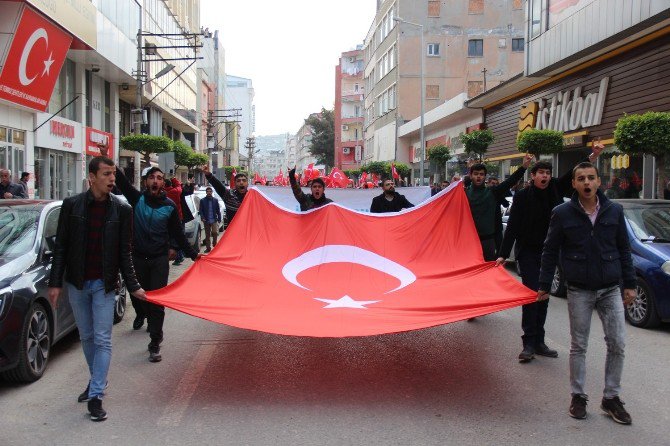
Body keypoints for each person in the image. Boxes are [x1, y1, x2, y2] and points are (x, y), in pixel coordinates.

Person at [47, 156, 146, 422]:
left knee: (102, 339)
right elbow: (61, 248)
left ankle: (96, 396)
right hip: (77, 284)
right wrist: (55, 283)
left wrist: (134, 285)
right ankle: (96, 381)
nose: (112, 179)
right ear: (91, 177)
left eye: (114, 174)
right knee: (87, 337)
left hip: (105, 286)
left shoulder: (122, 211)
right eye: (106, 174)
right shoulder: (71, 206)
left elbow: (125, 253)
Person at [537, 162, 636, 425]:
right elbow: (549, 251)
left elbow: (624, 249)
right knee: (579, 345)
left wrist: (630, 284)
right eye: (581, 178)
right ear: (574, 184)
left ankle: (611, 397)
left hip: (610, 289)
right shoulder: (562, 213)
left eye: (591, 178)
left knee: (617, 342)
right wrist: (544, 285)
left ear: (599, 182)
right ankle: (578, 396)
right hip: (579, 290)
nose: (587, 183)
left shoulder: (614, 210)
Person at [100, 144, 200, 362]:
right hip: (136, 258)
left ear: (163, 183)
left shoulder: (170, 207)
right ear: (146, 182)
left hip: (158, 260)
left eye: (159, 178)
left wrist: (194, 255)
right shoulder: (138, 200)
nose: (155, 181)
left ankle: (155, 342)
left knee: (157, 301)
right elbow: (123, 183)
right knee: (140, 298)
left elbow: (178, 234)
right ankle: (139, 312)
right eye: (152, 177)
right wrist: (108, 159)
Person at [465, 154, 532, 262]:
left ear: (485, 177)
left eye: (481, 174)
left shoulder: (493, 192)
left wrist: (523, 167)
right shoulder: (463, 193)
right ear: (470, 175)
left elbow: (510, 181)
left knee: (487, 272)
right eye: (476, 174)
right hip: (468, 241)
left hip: (487, 241)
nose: (478, 176)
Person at [199, 186, 221, 252]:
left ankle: (214, 244)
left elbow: (218, 210)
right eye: (208, 191)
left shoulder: (215, 200)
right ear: (206, 192)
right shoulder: (202, 200)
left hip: (214, 219)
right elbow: (201, 210)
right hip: (206, 220)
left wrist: (219, 218)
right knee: (207, 235)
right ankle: (208, 248)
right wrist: (202, 217)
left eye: (210, 191)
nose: (209, 193)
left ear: (212, 192)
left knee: (215, 232)